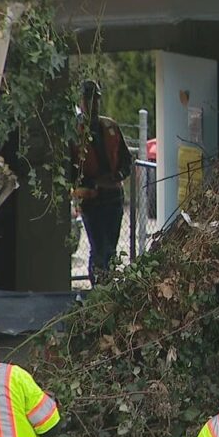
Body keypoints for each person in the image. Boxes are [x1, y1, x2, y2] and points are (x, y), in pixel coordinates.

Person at [71, 80, 133, 284]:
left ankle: (107, 288)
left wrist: (117, 176)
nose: (93, 105)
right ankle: (98, 289)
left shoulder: (110, 126)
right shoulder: (74, 131)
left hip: (114, 198)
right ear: (81, 101)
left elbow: (126, 159)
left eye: (96, 100)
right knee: (99, 249)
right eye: (89, 100)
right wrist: (90, 185)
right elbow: (70, 168)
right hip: (92, 200)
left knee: (110, 250)